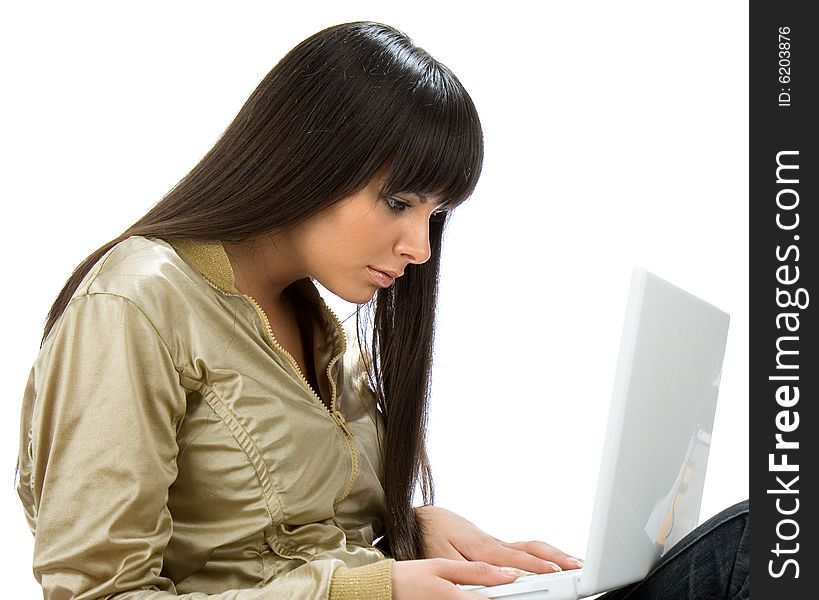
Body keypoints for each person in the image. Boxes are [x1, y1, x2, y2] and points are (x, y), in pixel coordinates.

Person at [16, 21, 748, 600]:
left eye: (435, 216)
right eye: (398, 203)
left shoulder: (316, 322)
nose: (419, 247)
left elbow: (304, 538)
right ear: (303, 159)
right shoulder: (136, 303)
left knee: (761, 536)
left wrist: (411, 528)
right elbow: (96, 595)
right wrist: (370, 587)